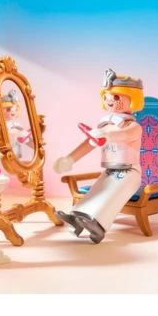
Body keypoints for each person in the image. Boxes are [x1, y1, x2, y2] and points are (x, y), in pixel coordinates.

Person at [54, 68, 144, 243]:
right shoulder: (104, 125)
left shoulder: (133, 126)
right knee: (95, 193)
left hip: (130, 173)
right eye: (107, 96)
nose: (110, 100)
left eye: (116, 97)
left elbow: (123, 135)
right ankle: (76, 218)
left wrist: (106, 136)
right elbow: (89, 143)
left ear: (133, 99)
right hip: (110, 170)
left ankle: (99, 226)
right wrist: (70, 159)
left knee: (110, 196)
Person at [1, 89, 34, 159]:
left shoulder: (16, 124)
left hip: (16, 152)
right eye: (8, 110)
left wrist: (24, 135)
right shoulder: (2, 124)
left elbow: (25, 139)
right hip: (6, 152)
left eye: (15, 109)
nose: (13, 112)